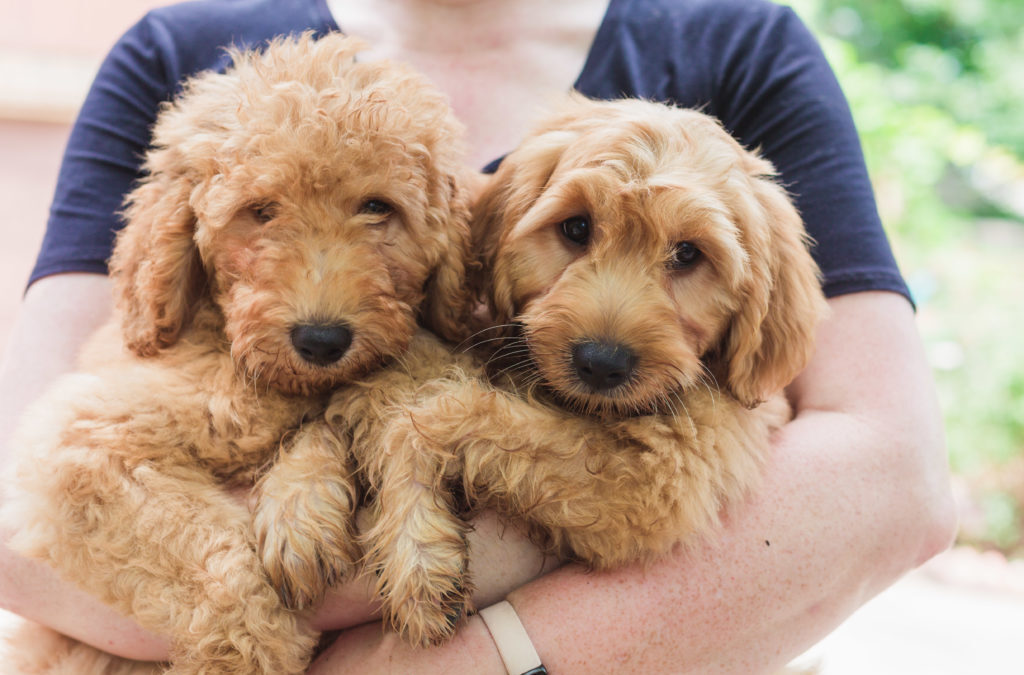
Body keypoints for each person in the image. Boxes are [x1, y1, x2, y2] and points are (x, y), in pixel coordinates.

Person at [0, 0, 955, 672]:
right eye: (571, 233)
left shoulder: (740, 46)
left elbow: (892, 482)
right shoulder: (179, 53)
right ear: (488, 250)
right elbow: (24, 506)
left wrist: (472, 657)